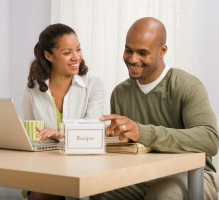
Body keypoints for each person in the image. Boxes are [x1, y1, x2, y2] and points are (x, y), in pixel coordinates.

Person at [92, 17, 219, 200]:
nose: (133, 59)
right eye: (129, 50)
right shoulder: (120, 92)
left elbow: (209, 140)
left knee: (163, 194)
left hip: (194, 175)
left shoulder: (187, 85)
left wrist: (141, 131)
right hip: (143, 175)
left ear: (163, 51)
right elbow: (125, 148)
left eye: (142, 53)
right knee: (93, 189)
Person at [22, 23, 104, 200]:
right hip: (44, 168)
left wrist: (61, 134)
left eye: (78, 49)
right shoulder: (32, 90)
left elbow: (93, 132)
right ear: (49, 55)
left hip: (82, 167)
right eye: (67, 53)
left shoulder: (93, 85)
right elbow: (30, 134)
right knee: (42, 192)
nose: (76, 57)